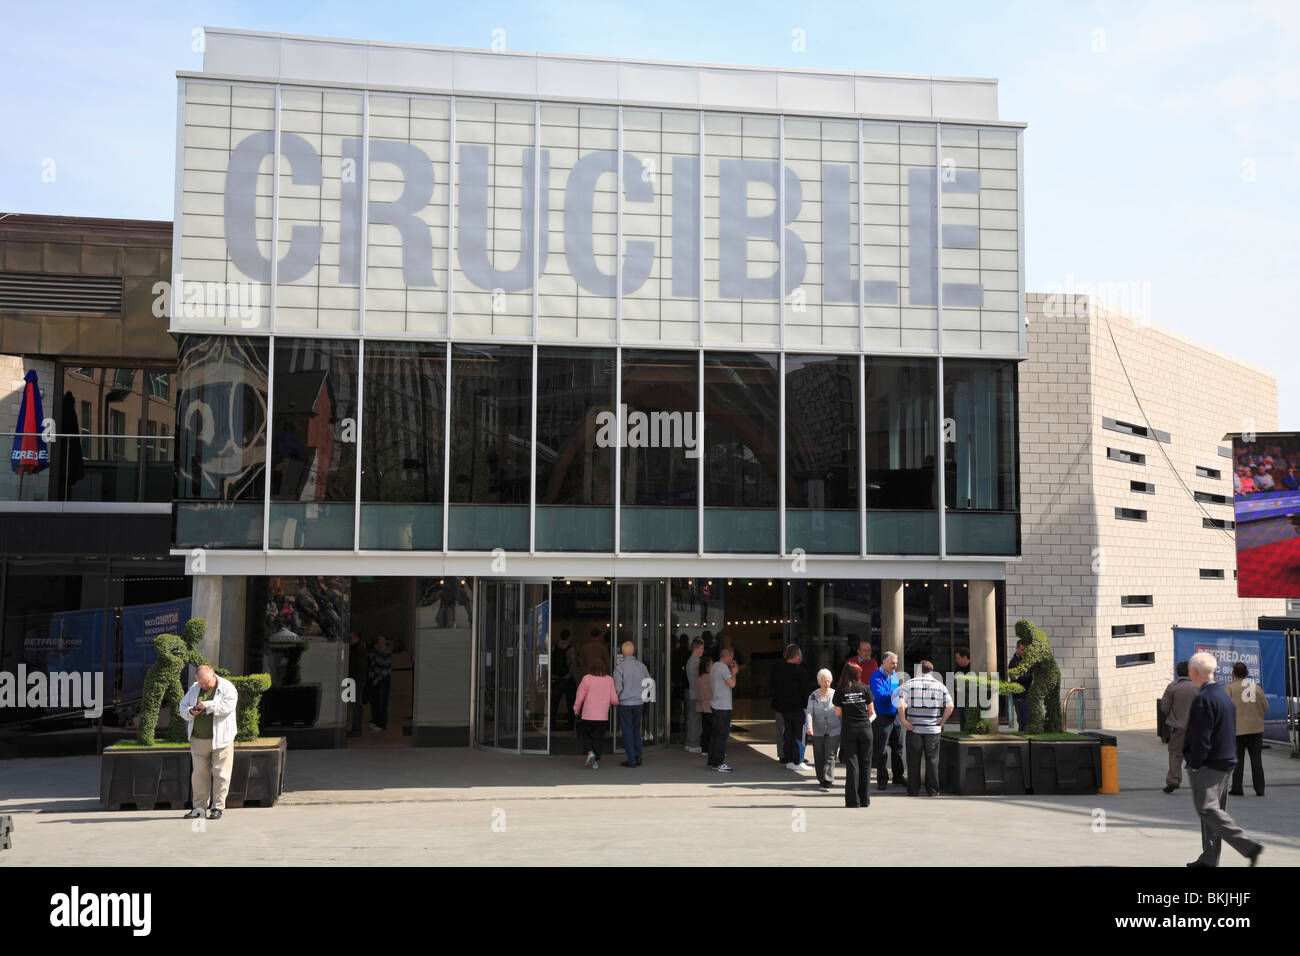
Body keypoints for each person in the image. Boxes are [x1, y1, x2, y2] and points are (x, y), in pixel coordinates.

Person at [1183, 651, 1264, 867]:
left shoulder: (1205, 698)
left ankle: (1248, 846)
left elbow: (1202, 737)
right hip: (1226, 760)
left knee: (1208, 810)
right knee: (1213, 812)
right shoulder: (1222, 695)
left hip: (1210, 764)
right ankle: (1209, 858)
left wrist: (1195, 763)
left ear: (1194, 672)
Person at [179, 664, 239, 820]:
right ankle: (199, 808)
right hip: (199, 738)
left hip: (222, 738)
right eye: (201, 683)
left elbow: (227, 707)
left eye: (206, 683)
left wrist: (207, 705)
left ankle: (217, 807)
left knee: (221, 774)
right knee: (199, 775)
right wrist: (191, 711)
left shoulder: (227, 687)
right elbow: (182, 707)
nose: (203, 686)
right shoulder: (194, 688)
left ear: (213, 675)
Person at [898, 660, 954, 797]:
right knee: (933, 760)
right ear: (931, 671)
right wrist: (942, 721)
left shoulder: (909, 684)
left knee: (913, 760)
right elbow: (950, 706)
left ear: (919, 670)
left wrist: (904, 720)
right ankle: (933, 790)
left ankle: (913, 790)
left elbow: (900, 704)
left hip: (914, 728)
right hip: (933, 729)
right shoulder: (940, 685)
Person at [832, 661, 874, 807]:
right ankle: (864, 799)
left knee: (852, 764)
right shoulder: (865, 688)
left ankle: (852, 800)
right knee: (866, 764)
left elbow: (837, 712)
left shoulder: (840, 690)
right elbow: (871, 712)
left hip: (849, 729)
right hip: (865, 729)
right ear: (857, 674)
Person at [1227, 661, 1268, 797]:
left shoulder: (1231, 688)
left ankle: (1237, 788)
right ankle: (1260, 789)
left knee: (1238, 759)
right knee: (1256, 759)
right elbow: (1265, 707)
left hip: (1237, 729)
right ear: (1247, 673)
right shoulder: (1256, 688)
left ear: (1233, 673)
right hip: (1255, 728)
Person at [772, 644, 814, 770]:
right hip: (798, 708)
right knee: (799, 734)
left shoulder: (778, 669)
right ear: (796, 656)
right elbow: (806, 692)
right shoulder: (801, 672)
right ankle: (798, 760)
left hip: (784, 708)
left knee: (788, 733)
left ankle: (789, 759)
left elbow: (774, 686)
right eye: (800, 654)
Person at [869, 652, 906, 790]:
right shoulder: (876, 676)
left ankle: (898, 777)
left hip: (894, 715)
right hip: (882, 717)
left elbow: (894, 693)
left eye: (896, 663)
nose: (895, 665)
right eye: (892, 663)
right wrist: (898, 692)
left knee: (898, 748)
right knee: (882, 750)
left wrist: (901, 695)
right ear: (884, 662)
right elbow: (879, 696)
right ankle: (882, 779)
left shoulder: (894, 675)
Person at [1159, 661, 1198, 793]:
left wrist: (1173, 716)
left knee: (1175, 754)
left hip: (1178, 727)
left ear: (1177, 672)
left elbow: (1164, 707)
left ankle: (1174, 780)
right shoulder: (1198, 687)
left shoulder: (1172, 687)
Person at [573, 654, 618, 769]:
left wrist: (576, 709)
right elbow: (614, 699)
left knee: (586, 735)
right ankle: (595, 762)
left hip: (588, 715)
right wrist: (615, 702)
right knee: (598, 738)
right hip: (602, 716)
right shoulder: (609, 680)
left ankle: (590, 752)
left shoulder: (586, 678)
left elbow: (580, 696)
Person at [613, 641, 651, 767]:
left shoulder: (620, 668)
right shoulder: (641, 666)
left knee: (627, 731)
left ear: (622, 652)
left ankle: (631, 759)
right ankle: (638, 755)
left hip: (625, 703)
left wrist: (616, 698)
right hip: (638, 703)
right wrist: (643, 697)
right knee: (636, 730)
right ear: (633, 651)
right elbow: (648, 682)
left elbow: (618, 688)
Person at [805, 668, 841, 789]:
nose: (827, 683)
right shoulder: (813, 696)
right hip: (818, 729)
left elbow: (841, 711)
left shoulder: (835, 694)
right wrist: (809, 727)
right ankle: (821, 777)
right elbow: (809, 712)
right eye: (825, 681)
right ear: (819, 681)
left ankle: (828, 778)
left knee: (830, 755)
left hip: (834, 729)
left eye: (829, 681)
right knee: (819, 754)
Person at [708, 647, 738, 772]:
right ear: (728, 657)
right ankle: (719, 762)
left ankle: (712, 760)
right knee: (722, 735)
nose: (732, 660)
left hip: (715, 703)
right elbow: (732, 684)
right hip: (723, 706)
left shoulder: (714, 666)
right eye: (731, 657)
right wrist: (734, 672)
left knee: (715, 735)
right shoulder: (723, 668)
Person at [684, 637, 705, 753]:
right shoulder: (696, 661)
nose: (703, 650)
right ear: (697, 649)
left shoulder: (691, 660)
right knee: (695, 719)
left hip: (692, 692)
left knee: (692, 718)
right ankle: (693, 743)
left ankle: (689, 742)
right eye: (702, 648)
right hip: (696, 693)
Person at [368, 634, 393, 732]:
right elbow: (373, 664)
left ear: (385, 641)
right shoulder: (375, 651)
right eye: (379, 639)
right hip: (375, 678)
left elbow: (386, 669)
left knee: (382, 702)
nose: (380, 641)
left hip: (383, 680)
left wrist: (377, 679)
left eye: (382, 639)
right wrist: (371, 675)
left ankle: (382, 724)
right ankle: (375, 721)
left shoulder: (387, 652)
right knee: (374, 701)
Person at [346, 629, 368, 737]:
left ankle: (356, 729)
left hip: (356, 680)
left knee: (356, 705)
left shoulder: (358, 650)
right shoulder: (357, 649)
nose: (350, 639)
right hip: (355, 680)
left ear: (357, 638)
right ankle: (355, 728)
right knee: (355, 705)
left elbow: (358, 666)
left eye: (351, 637)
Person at [1008, 638, 1031, 731]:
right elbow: (1015, 678)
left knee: (1027, 719)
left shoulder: (1028, 661)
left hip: (1028, 694)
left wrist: (1026, 677)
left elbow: (1030, 675)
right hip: (1019, 696)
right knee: (1022, 719)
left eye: (1025, 649)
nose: (1024, 652)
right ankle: (1023, 736)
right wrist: (1028, 677)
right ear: (1017, 649)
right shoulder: (1013, 662)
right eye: (1022, 649)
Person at [695, 656, 714, 757]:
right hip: (710, 705)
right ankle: (712, 749)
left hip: (702, 706)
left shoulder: (699, 677)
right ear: (707, 666)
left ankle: (705, 748)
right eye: (712, 664)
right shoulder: (710, 677)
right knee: (713, 729)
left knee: (705, 728)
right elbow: (711, 693)